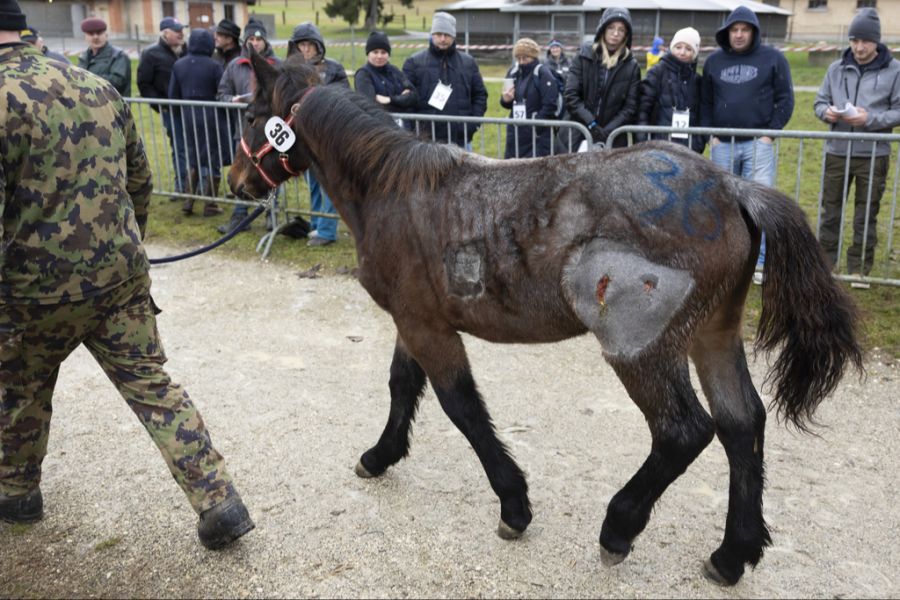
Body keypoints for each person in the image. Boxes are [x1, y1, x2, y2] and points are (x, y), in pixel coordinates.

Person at [0, 1, 254, 549]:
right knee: (153, 385)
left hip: (31, 293)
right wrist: (125, 244)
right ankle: (219, 500)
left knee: (19, 390)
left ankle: (17, 492)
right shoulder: (97, 87)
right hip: (119, 278)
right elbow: (139, 179)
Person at [701, 5, 794, 282]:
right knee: (723, 204)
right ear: (727, 32)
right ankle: (725, 260)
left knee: (759, 203)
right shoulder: (714, 62)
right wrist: (711, 135)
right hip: (723, 144)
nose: (739, 35)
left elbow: (785, 98)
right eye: (734, 30)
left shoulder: (773, 58)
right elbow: (705, 101)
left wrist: (771, 132)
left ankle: (760, 262)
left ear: (754, 32)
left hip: (758, 144)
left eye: (745, 30)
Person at [813, 7, 900, 278]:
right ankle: (826, 265)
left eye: (865, 41)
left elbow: (898, 110)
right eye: (854, 40)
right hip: (837, 151)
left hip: (873, 153)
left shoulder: (895, 70)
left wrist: (869, 119)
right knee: (830, 212)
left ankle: (859, 268)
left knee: (866, 214)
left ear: (877, 42)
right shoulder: (836, 68)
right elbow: (819, 101)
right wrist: (825, 112)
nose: (859, 47)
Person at [216, 19, 282, 236]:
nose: (255, 43)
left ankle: (271, 213)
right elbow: (222, 94)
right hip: (244, 131)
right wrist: (231, 100)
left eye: (259, 39)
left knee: (272, 172)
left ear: (265, 41)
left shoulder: (277, 65)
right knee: (242, 172)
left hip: (270, 132)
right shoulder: (236, 65)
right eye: (251, 39)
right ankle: (239, 215)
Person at [287, 22, 351, 247]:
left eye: (308, 45)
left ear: (318, 45)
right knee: (312, 183)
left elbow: (344, 95)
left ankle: (327, 230)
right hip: (302, 136)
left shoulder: (333, 68)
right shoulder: (291, 71)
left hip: (328, 134)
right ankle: (316, 224)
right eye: (300, 45)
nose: (305, 50)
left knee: (328, 184)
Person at [402, 11, 489, 149]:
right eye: (438, 34)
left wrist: (472, 125)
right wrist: (412, 131)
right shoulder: (413, 62)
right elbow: (407, 100)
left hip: (460, 140)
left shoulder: (468, 63)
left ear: (453, 36)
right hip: (425, 142)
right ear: (432, 35)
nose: (442, 39)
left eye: (447, 35)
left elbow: (480, 95)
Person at [169, 28, 229, 217]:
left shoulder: (179, 65)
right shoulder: (214, 65)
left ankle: (189, 201)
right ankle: (210, 204)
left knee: (193, 157)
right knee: (213, 157)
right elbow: (221, 91)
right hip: (211, 114)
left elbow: (172, 94)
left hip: (189, 115)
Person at [564, 6, 641, 149]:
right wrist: (591, 123)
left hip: (613, 139)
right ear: (603, 29)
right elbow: (571, 95)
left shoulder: (632, 67)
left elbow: (630, 107)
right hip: (577, 133)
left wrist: (607, 131)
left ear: (626, 35)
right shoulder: (583, 56)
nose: (616, 33)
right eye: (611, 27)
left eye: (621, 29)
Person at [137, 16, 187, 195]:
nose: (181, 34)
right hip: (171, 111)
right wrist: (160, 106)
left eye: (182, 30)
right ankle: (182, 184)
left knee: (196, 146)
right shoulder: (151, 54)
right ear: (165, 33)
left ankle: (201, 184)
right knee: (180, 147)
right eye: (177, 31)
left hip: (193, 109)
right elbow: (144, 83)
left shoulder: (188, 51)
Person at [637, 27, 706, 154]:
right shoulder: (656, 73)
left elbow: (701, 114)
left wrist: (698, 143)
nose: (682, 52)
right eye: (678, 47)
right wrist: (644, 143)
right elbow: (643, 109)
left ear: (695, 53)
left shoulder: (698, 81)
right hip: (657, 148)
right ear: (671, 48)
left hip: (689, 150)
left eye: (688, 49)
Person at [500, 38, 559, 158]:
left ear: (533, 56)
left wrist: (536, 124)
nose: (521, 62)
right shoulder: (513, 72)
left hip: (536, 136)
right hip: (515, 133)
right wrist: (505, 99)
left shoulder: (542, 72)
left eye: (525, 57)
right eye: (518, 58)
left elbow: (551, 103)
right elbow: (506, 103)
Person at [354, 30, 418, 122]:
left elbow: (414, 97)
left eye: (383, 52)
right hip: (380, 129)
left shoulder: (394, 71)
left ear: (388, 54)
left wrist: (391, 100)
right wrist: (402, 100)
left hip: (403, 128)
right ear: (368, 54)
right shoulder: (363, 75)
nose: (379, 56)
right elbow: (370, 105)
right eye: (375, 52)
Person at [77, 17, 130, 96]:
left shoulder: (118, 56)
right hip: (89, 104)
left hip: (112, 105)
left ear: (106, 35)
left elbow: (117, 82)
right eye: (91, 34)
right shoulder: (83, 57)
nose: (95, 37)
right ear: (85, 37)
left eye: (99, 33)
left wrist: (87, 79)